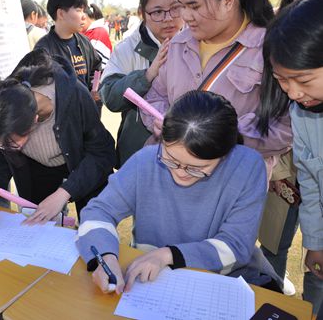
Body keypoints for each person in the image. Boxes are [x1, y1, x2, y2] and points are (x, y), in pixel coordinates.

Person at [77, 90, 281, 294]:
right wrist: (104, 257)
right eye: (171, 159)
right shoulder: (146, 160)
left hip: (231, 280)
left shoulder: (247, 167)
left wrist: (168, 255)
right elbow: (99, 212)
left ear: (225, 154)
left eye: (197, 168)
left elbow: (236, 245)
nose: (181, 173)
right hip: (155, 283)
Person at [141, 0, 292, 176]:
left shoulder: (268, 48)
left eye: (194, 6)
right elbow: (154, 96)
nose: (185, 16)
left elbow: (286, 128)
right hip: (169, 171)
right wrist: (162, 120)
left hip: (229, 181)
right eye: (181, 6)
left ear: (228, 1)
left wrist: (224, 135)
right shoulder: (177, 45)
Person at [0, 49, 116, 230]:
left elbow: (102, 152)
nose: (2, 148)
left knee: (93, 230)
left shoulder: (73, 96)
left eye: (10, 144)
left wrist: (64, 193)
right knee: (39, 230)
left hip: (83, 167)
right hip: (36, 172)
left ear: (34, 121)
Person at [256, 0, 323, 317]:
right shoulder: (303, 111)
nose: (293, 93)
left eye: (303, 80)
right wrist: (315, 240)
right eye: (282, 81)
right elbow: (310, 181)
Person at [100, 0, 183, 167]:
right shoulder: (127, 49)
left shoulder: (199, 41)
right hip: (139, 156)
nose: (168, 18)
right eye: (158, 12)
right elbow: (110, 97)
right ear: (141, 13)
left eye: (176, 8)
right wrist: (147, 75)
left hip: (187, 157)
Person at [34, 0, 102, 111]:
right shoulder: (43, 48)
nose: (84, 16)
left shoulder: (84, 42)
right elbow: (40, 89)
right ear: (61, 14)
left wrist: (95, 87)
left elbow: (96, 68)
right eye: (78, 10)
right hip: (61, 120)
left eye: (84, 11)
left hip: (86, 114)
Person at [82, 3, 112, 68]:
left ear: (88, 17)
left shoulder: (98, 32)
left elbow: (97, 61)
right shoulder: (90, 31)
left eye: (82, 18)